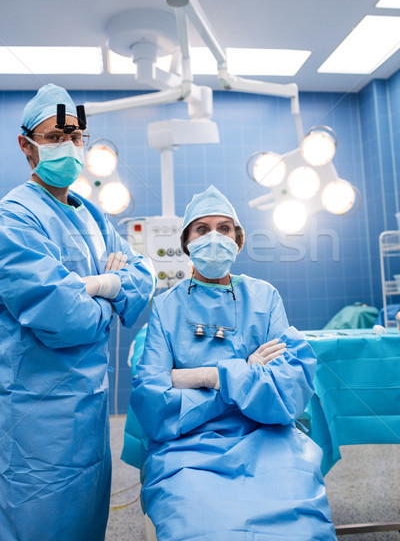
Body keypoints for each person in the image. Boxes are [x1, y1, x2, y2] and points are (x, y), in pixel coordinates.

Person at [131, 185, 337, 541]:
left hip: (266, 436)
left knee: (300, 525)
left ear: (238, 241)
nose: (214, 237)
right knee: (200, 525)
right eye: (202, 229)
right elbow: (152, 398)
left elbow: (287, 386)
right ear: (187, 243)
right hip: (188, 448)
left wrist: (205, 376)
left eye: (224, 228)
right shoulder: (166, 306)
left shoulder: (264, 296)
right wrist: (241, 374)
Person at [0, 84, 155, 541]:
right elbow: (65, 318)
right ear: (27, 147)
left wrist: (97, 288)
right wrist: (111, 295)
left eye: (76, 135)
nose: (68, 145)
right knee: (40, 523)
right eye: (54, 136)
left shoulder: (90, 214)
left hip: (89, 408)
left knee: (88, 519)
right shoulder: (14, 218)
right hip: (38, 414)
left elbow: (143, 275)